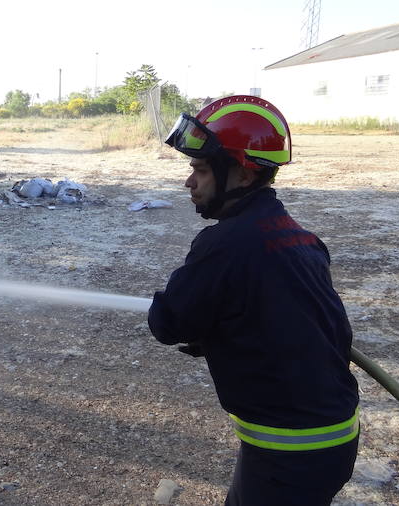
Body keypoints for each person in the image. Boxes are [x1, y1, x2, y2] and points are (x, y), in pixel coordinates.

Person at [149, 95, 360, 505]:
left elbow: (168, 323)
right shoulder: (298, 237)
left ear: (243, 176)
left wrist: (183, 313)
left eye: (201, 170)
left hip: (292, 450)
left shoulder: (226, 244)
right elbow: (277, 316)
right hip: (323, 438)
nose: (190, 182)